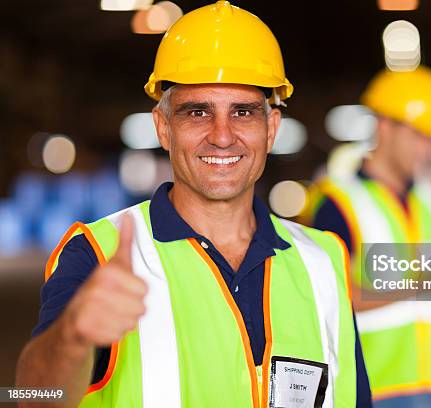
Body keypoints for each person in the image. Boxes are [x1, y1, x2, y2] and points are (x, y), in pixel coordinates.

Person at [15, 2, 372, 407]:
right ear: (164, 128)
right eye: (198, 112)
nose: (222, 136)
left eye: (243, 112)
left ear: (271, 129)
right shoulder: (98, 254)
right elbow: (31, 395)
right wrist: (73, 335)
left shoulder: (323, 260)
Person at [305, 66, 431, 407]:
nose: (427, 150)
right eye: (418, 135)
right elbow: (327, 298)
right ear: (383, 125)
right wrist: (419, 287)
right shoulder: (338, 203)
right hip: (375, 388)